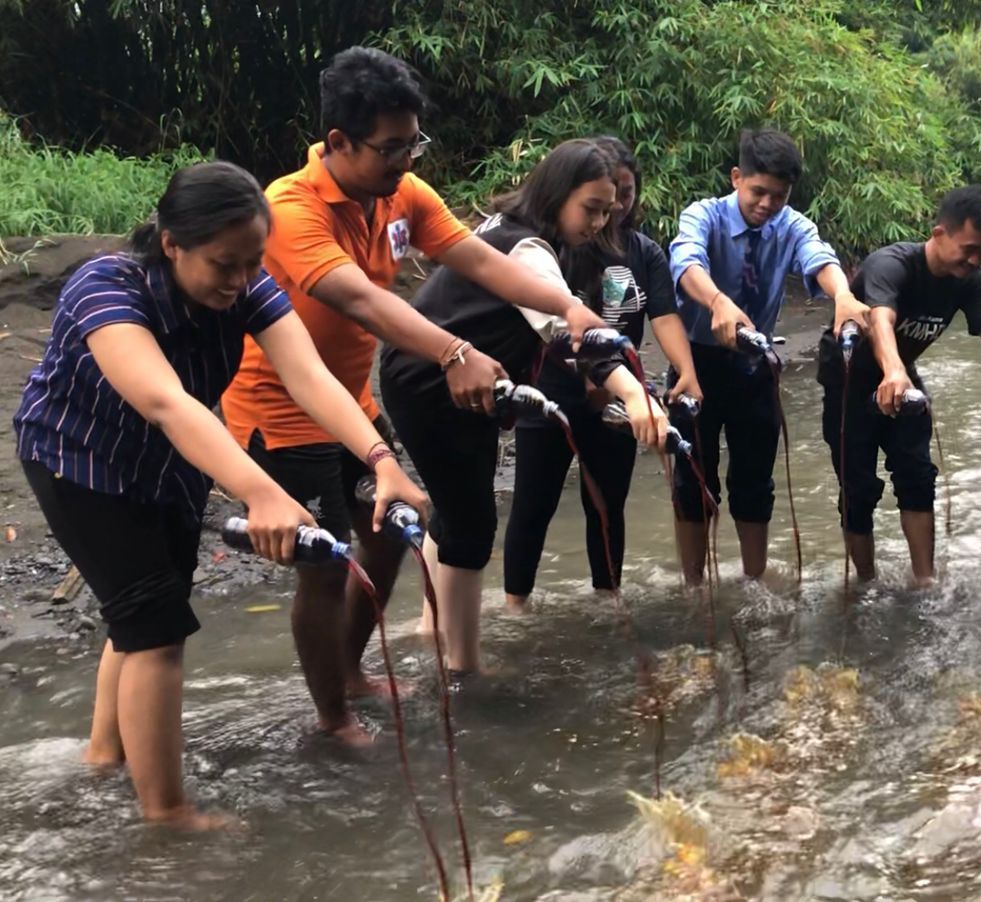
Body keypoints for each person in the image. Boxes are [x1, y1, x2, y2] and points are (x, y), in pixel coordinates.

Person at [12, 162, 427, 829]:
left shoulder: (248, 288)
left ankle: (103, 755)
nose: (239, 281)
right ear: (172, 243)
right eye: (223, 265)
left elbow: (311, 378)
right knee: (156, 627)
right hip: (79, 460)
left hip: (176, 460)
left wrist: (381, 460)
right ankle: (167, 814)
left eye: (251, 263)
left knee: (152, 602)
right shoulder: (106, 286)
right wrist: (262, 493)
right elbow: (164, 400)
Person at [219, 47, 608, 739]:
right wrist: (455, 351)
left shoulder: (402, 194)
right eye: (391, 147)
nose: (407, 160)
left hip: (353, 403)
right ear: (338, 142)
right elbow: (361, 301)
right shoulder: (289, 208)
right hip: (280, 413)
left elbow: (479, 260)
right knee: (323, 563)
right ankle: (332, 716)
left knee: (389, 532)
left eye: (413, 143)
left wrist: (569, 308)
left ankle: (346, 666)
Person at [381, 138, 668, 672]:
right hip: (435, 380)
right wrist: (634, 394)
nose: (600, 221)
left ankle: (431, 630)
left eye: (609, 211)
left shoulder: (509, 229)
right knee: (473, 521)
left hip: (423, 372)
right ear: (557, 192)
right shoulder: (530, 248)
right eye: (591, 208)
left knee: (454, 501)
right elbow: (571, 333)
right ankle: (463, 667)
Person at [818, 186, 981, 585]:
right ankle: (864, 584)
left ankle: (924, 582)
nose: (974, 260)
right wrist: (894, 369)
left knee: (917, 478)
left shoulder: (968, 281)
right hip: (849, 381)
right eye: (968, 249)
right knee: (858, 490)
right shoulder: (892, 264)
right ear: (938, 233)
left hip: (903, 378)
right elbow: (881, 321)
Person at [501, 136, 700, 607]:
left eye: (625, 195)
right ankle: (515, 606)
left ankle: (608, 597)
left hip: (616, 394)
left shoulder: (643, 251)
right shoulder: (565, 243)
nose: (615, 209)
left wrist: (685, 368)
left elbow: (665, 315)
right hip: (550, 391)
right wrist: (593, 379)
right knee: (534, 502)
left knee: (608, 505)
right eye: (607, 199)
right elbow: (560, 325)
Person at [667, 127, 870, 584]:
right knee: (692, 478)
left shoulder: (792, 225)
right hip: (695, 363)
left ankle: (754, 581)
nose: (766, 205)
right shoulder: (705, 216)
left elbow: (819, 258)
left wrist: (842, 296)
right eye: (758, 192)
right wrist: (718, 302)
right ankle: (694, 586)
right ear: (737, 178)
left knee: (755, 481)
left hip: (755, 364)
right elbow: (685, 261)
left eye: (778, 196)